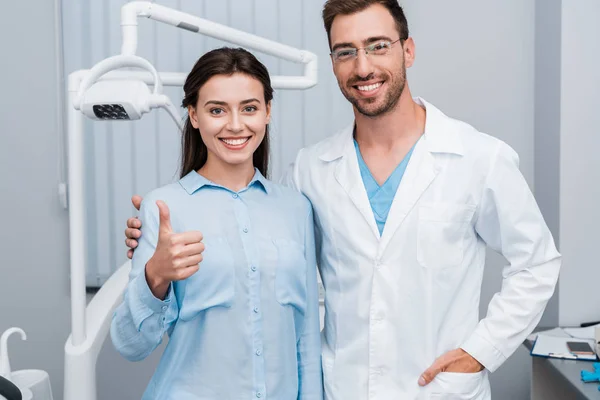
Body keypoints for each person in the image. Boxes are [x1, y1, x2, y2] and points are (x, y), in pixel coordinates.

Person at [124, 1, 561, 399]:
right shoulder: (311, 170)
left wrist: (480, 351)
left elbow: (538, 262)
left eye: (377, 46)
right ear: (333, 63)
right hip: (343, 388)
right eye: (346, 51)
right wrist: (153, 262)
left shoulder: (478, 157)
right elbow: (263, 248)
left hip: (438, 389)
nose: (363, 66)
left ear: (407, 50)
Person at [112, 47, 323, 400]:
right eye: (217, 110)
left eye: (250, 108)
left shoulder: (296, 208)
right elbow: (130, 345)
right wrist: (156, 276)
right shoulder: (163, 208)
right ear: (193, 115)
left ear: (268, 111)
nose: (236, 125)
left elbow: (306, 338)